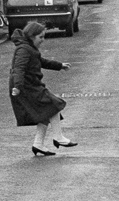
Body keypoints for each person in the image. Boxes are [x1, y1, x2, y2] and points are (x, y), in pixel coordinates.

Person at [9, 21, 75, 156]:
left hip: (31, 84)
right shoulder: (23, 50)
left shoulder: (29, 48)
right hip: (25, 87)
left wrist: (59, 65)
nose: (43, 40)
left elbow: (41, 61)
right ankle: (58, 137)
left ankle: (38, 144)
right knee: (53, 104)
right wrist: (18, 87)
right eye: (41, 37)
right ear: (32, 36)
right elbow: (18, 69)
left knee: (45, 112)